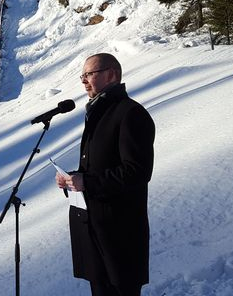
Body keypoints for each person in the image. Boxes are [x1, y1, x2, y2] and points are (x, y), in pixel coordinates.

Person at [55, 53, 155, 296]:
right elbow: (100, 165)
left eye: (89, 74)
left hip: (120, 235)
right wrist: (73, 179)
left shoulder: (130, 113)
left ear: (111, 74)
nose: (84, 81)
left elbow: (137, 171)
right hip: (95, 230)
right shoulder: (97, 113)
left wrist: (86, 182)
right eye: (83, 75)